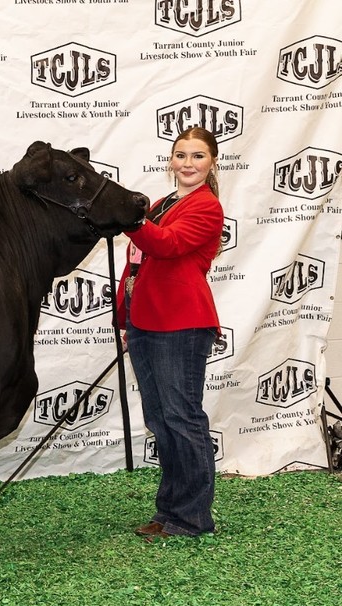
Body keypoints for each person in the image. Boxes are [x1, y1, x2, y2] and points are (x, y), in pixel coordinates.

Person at [116, 126, 223, 543]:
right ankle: (170, 511)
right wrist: (125, 320)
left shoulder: (206, 207)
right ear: (170, 161)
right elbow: (137, 265)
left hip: (181, 322)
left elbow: (166, 246)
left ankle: (193, 518)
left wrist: (129, 218)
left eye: (197, 156)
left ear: (211, 163)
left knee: (182, 419)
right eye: (181, 155)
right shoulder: (162, 203)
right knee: (161, 420)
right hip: (146, 321)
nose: (188, 164)